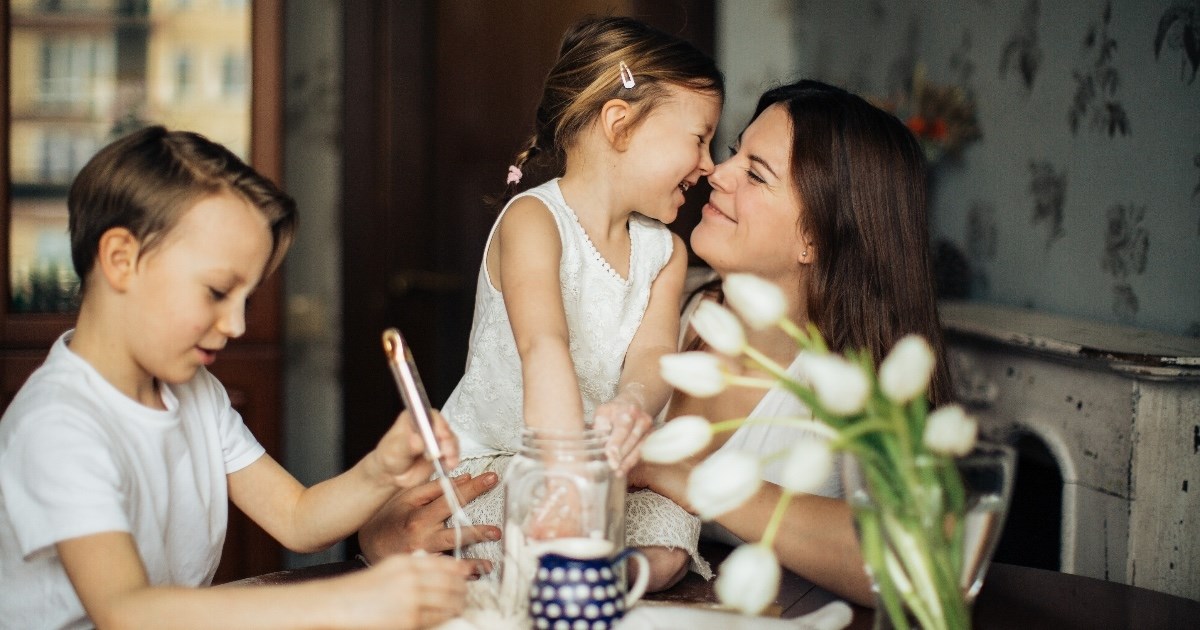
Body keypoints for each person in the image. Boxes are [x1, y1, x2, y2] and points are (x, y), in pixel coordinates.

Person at [0, 126, 473, 629]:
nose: (237, 325)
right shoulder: (57, 425)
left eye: (245, 300)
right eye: (217, 291)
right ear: (122, 259)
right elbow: (127, 613)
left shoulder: (194, 390)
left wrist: (382, 470)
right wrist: (349, 601)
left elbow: (296, 518)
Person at [367, 16, 724, 591]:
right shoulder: (534, 220)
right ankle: (562, 569)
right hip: (509, 460)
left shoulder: (666, 252)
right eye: (700, 138)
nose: (709, 164)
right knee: (509, 523)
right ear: (620, 123)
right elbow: (543, 346)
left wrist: (634, 403)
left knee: (670, 537)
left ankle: (585, 575)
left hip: (607, 472)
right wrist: (564, 476)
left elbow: (655, 353)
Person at [630, 79, 954, 606]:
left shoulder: (857, 385)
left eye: (756, 173)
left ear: (815, 238)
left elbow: (918, 560)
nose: (717, 170)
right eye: (736, 151)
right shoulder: (661, 301)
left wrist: (696, 479)